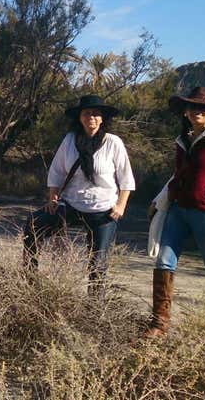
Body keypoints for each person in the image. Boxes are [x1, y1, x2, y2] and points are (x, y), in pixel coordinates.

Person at [23, 95, 134, 294]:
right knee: (34, 224)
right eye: (87, 113)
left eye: (96, 114)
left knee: (98, 262)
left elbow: (126, 178)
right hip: (72, 204)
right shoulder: (70, 140)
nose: (91, 117)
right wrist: (53, 198)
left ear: (102, 118)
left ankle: (95, 304)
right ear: (80, 117)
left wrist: (120, 206)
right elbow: (57, 171)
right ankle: (30, 281)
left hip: (103, 209)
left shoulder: (113, 142)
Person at [145, 87, 205, 337]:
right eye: (192, 107)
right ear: (185, 112)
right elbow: (178, 175)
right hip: (179, 209)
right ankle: (159, 325)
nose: (197, 111)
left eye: (203, 107)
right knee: (164, 261)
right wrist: (159, 199)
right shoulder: (184, 140)